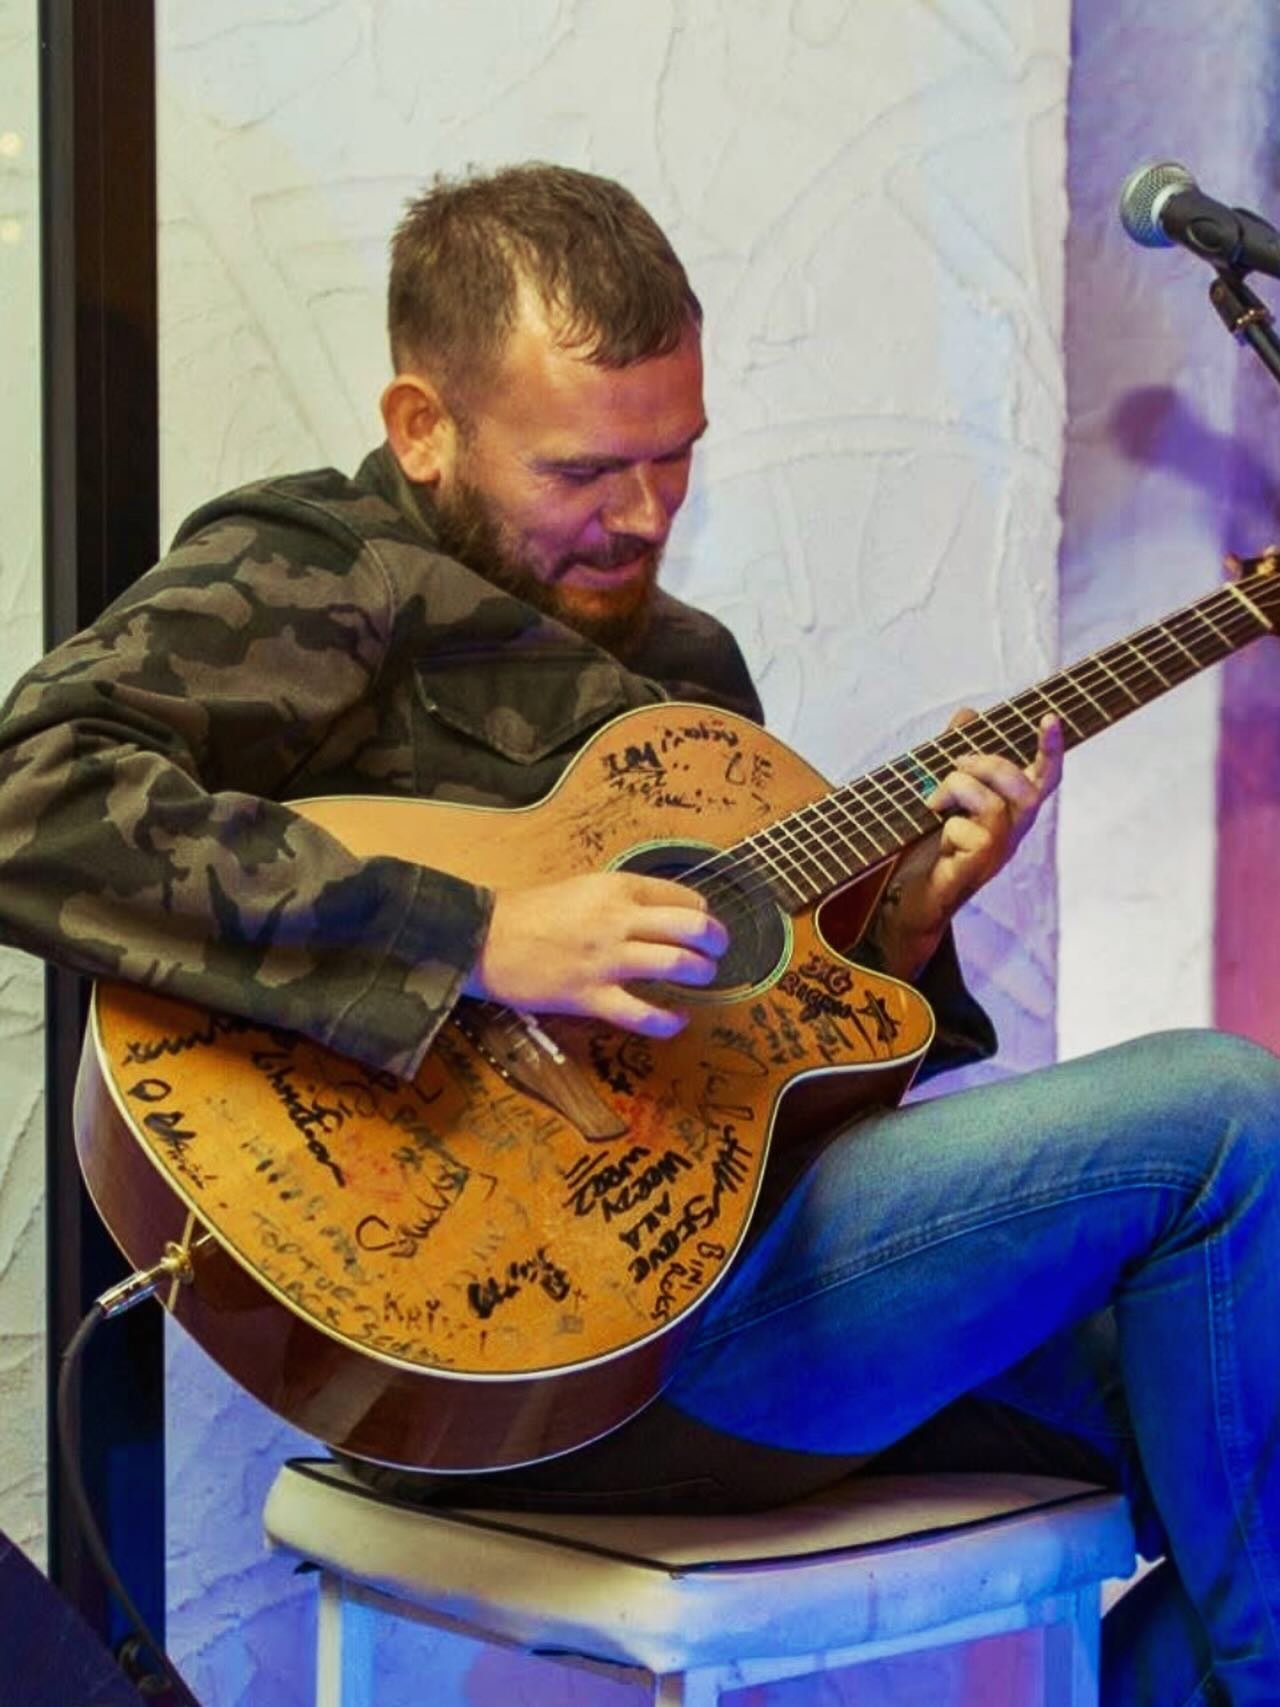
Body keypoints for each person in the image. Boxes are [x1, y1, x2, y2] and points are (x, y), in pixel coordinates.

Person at [0, 163, 1277, 1707]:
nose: (645, 514)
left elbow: (753, 1086)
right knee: (1228, 1111)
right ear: (424, 426)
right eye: (586, 470)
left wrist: (911, 917)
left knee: (1246, 1410)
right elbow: (33, 798)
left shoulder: (683, 667)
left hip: (728, 1283)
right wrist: (479, 933)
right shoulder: (326, 567)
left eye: (676, 459)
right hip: (514, 1349)